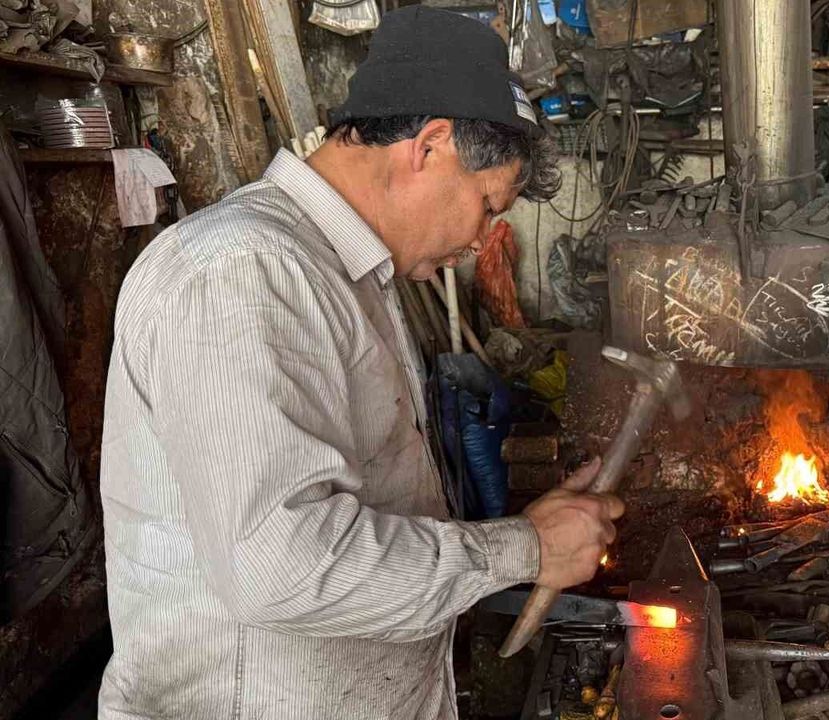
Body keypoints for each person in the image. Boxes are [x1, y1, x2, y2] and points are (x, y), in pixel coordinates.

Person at [97, 7, 621, 719]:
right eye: (487, 205)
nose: (481, 242)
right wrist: (524, 550)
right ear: (430, 146)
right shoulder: (243, 271)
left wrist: (527, 539)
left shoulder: (344, 272)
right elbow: (281, 566)